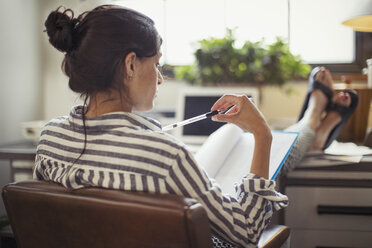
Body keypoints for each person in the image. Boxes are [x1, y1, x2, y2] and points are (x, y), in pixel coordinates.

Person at [34, 5, 357, 248]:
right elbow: (245, 233)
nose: (160, 78)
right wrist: (261, 133)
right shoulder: (165, 155)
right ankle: (313, 118)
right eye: (157, 64)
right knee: (281, 150)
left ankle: (312, 124)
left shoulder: (50, 139)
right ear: (131, 64)